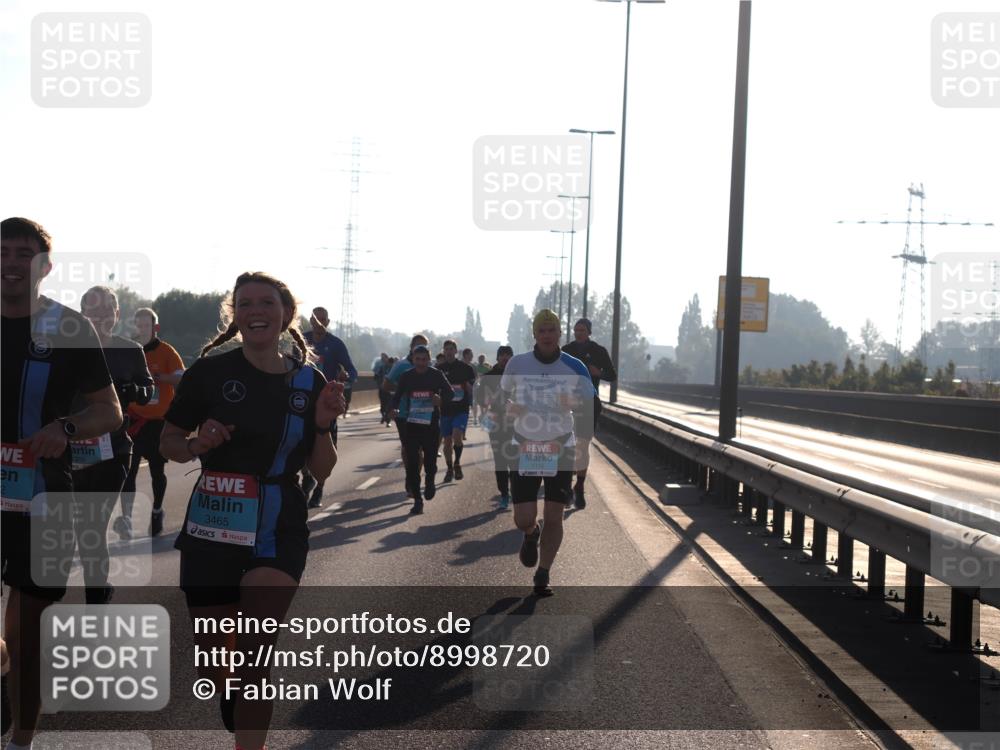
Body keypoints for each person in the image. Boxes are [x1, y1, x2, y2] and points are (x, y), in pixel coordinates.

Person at [159, 271, 344, 750]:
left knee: (256, 656)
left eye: (266, 303)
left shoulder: (309, 381)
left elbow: (322, 470)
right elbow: (168, 442)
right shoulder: (208, 373)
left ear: (286, 315)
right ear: (234, 315)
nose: (256, 311)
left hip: (278, 526)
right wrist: (197, 443)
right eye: (245, 304)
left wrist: (321, 425)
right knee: (212, 663)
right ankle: (230, 692)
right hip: (213, 525)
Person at [1, 217, 122, 749]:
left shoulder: (69, 328)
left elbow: (110, 411)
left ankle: (21, 741)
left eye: (23, 254)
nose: (10, 263)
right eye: (2, 252)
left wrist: (65, 428)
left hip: (43, 493)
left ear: (45, 267)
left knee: (25, 633)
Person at [499, 309, 594, 596]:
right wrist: (509, 408)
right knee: (523, 518)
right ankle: (531, 533)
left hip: (560, 445)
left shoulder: (575, 366)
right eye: (542, 330)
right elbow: (501, 397)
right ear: (535, 335)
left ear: (560, 334)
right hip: (524, 444)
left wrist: (573, 403)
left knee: (554, 515)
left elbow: (589, 403)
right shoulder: (517, 364)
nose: (547, 335)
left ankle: (543, 572)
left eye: (552, 330)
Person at [71, 286, 154, 604]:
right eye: (93, 310)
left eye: (107, 310)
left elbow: (149, 388)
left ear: (117, 314)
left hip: (114, 449)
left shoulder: (130, 350)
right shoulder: (65, 349)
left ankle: (95, 595)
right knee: (70, 528)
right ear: (82, 314)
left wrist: (137, 391)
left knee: (92, 524)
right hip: (68, 448)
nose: (101, 316)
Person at [120, 306, 185, 537]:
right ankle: (126, 519)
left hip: (157, 423)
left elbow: (181, 377)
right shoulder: (129, 349)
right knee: (129, 472)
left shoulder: (166, 351)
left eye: (146, 325)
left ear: (155, 327)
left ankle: (157, 510)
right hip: (133, 420)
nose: (142, 329)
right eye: (138, 325)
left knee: (157, 471)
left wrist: (160, 377)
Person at [300, 306, 356, 507]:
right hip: (304, 401)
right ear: (311, 321)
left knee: (326, 446)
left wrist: (345, 377)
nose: (319, 323)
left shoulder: (335, 344)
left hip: (327, 404)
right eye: (316, 319)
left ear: (328, 322)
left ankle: (319, 489)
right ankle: (307, 476)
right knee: (300, 442)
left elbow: (352, 371)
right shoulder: (301, 340)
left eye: (323, 320)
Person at [389, 345, 453, 514]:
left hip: (431, 426)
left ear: (429, 360)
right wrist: (393, 409)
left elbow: (450, 393)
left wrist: (440, 400)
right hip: (412, 424)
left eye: (424, 360)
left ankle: (430, 481)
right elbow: (396, 397)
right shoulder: (407, 376)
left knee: (430, 462)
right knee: (412, 463)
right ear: (413, 359)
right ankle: (417, 500)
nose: (421, 363)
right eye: (418, 359)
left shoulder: (436, 375)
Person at [561, 317, 617, 509]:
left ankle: (580, 486)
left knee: (582, 446)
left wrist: (598, 373)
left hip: (589, 403)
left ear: (589, 332)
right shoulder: (565, 351)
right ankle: (567, 487)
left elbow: (612, 375)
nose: (578, 333)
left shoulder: (599, 351)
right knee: (568, 447)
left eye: (582, 330)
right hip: (567, 404)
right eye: (576, 330)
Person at [383, 334, 429, 498]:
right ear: (411, 347)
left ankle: (414, 478)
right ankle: (411, 479)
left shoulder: (430, 367)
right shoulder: (401, 365)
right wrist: (402, 390)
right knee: (409, 448)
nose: (421, 349)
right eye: (418, 345)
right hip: (403, 413)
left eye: (425, 346)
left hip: (423, 412)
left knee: (419, 449)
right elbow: (386, 385)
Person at [479, 345, 515, 510]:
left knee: (515, 460)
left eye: (508, 355)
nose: (505, 358)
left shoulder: (518, 376)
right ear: (497, 357)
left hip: (515, 422)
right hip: (494, 421)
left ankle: (515, 490)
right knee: (500, 460)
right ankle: (504, 494)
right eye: (502, 355)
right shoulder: (488, 376)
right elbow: (481, 399)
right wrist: (489, 400)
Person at [437, 340, 477, 482]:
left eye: (451, 349)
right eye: (446, 349)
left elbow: (473, 384)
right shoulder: (438, 369)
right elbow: (434, 387)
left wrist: (470, 387)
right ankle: (449, 468)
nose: (448, 351)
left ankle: (457, 463)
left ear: (455, 351)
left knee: (457, 436)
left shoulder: (465, 368)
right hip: (445, 410)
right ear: (443, 351)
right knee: (447, 442)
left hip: (461, 408)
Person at [373, 352, 391, 425]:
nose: (383, 359)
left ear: (387, 358)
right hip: (382, 388)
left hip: (390, 389)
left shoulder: (392, 366)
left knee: (389, 405)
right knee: (382, 405)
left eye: (384, 358)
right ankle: (384, 416)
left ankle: (388, 421)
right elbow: (376, 376)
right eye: (382, 358)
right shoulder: (380, 367)